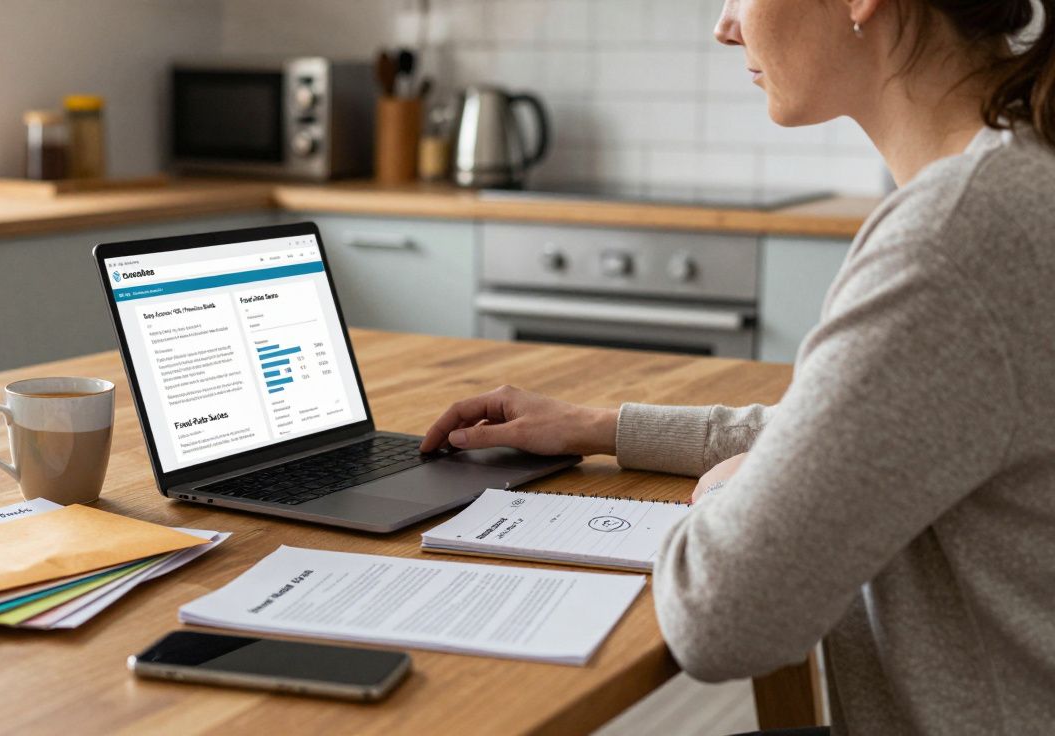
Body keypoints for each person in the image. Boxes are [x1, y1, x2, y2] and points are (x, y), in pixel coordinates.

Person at [421, 0, 1055, 732]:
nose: (725, 26)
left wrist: (733, 488)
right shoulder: (1016, 178)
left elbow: (722, 618)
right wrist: (600, 427)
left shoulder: (954, 236)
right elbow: (855, 434)